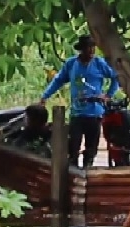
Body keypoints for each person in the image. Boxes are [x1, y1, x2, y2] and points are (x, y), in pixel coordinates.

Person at [40, 35, 119, 168]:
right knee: (73, 145)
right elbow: (58, 80)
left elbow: (115, 77)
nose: (91, 51)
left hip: (95, 112)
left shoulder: (99, 64)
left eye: (93, 48)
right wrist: (45, 96)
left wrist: (108, 95)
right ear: (82, 50)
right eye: (88, 48)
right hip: (77, 113)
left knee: (91, 147)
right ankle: (73, 170)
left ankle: (88, 167)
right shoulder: (71, 64)